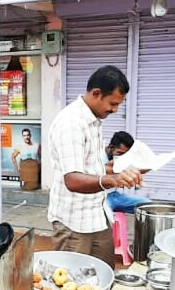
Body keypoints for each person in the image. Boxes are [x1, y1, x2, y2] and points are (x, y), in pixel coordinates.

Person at [47, 65, 143, 266]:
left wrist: (125, 171)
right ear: (96, 93)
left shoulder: (94, 120)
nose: (115, 110)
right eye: (113, 103)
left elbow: (94, 168)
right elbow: (72, 179)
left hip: (98, 217)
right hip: (73, 224)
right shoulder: (71, 123)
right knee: (71, 284)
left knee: (103, 278)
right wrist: (112, 180)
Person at [105, 131, 151, 214]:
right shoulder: (99, 155)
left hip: (115, 195)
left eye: (126, 154)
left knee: (148, 205)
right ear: (111, 147)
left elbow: (142, 168)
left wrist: (150, 164)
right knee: (105, 214)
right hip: (101, 198)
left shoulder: (124, 158)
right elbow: (104, 169)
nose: (123, 157)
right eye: (120, 153)